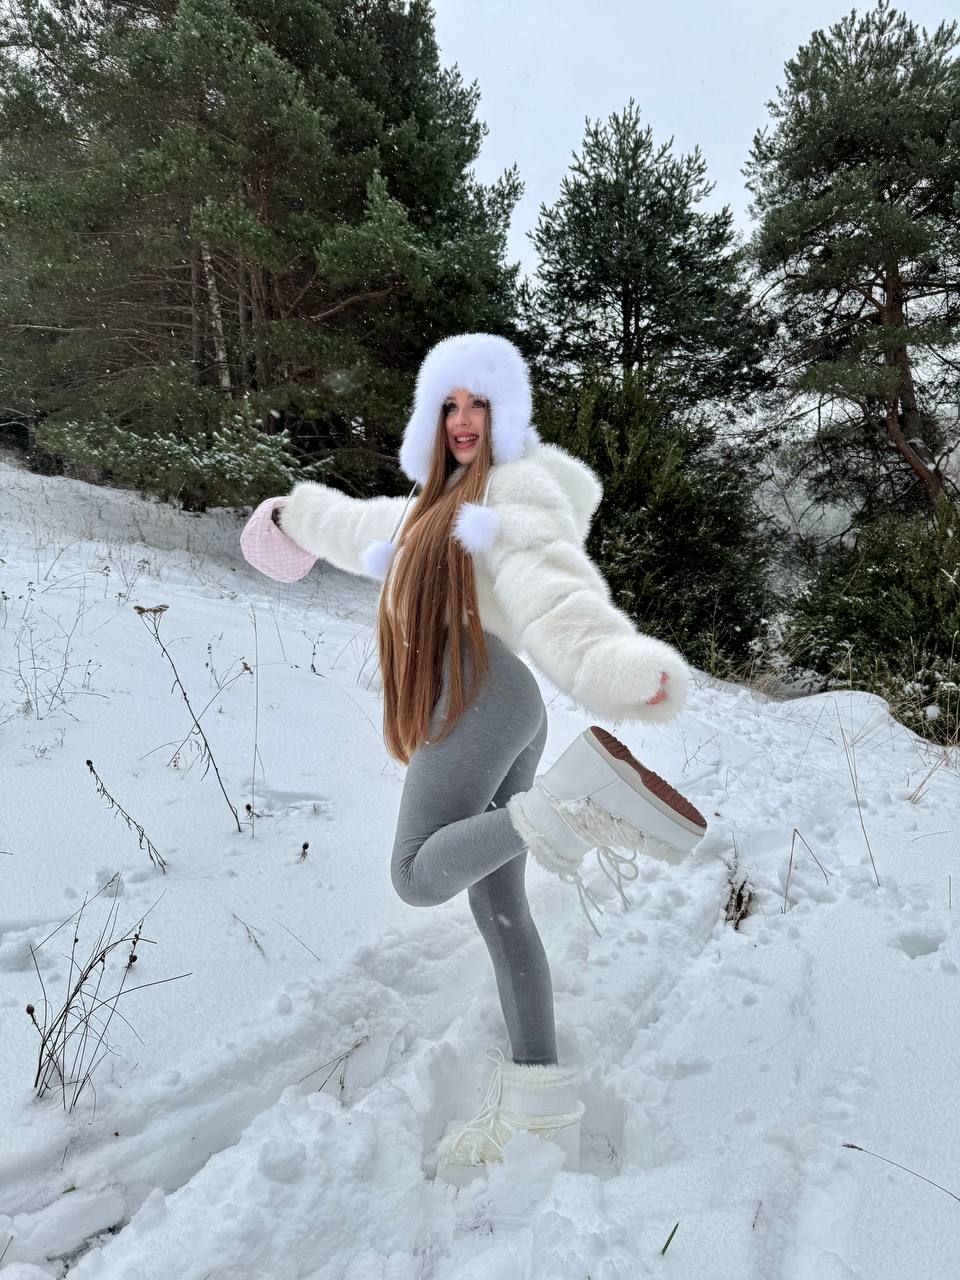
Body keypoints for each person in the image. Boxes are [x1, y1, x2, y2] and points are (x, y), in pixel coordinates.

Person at [261, 332, 707, 1187]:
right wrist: (288, 518)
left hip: (479, 691)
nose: (464, 420)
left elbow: (550, 586)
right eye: (450, 405)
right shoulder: (427, 509)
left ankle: (569, 802)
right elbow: (349, 526)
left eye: (481, 404)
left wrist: (606, 661)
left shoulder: (511, 493)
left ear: (508, 415)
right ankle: (542, 1111)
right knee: (499, 905)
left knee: (416, 874)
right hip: (502, 702)